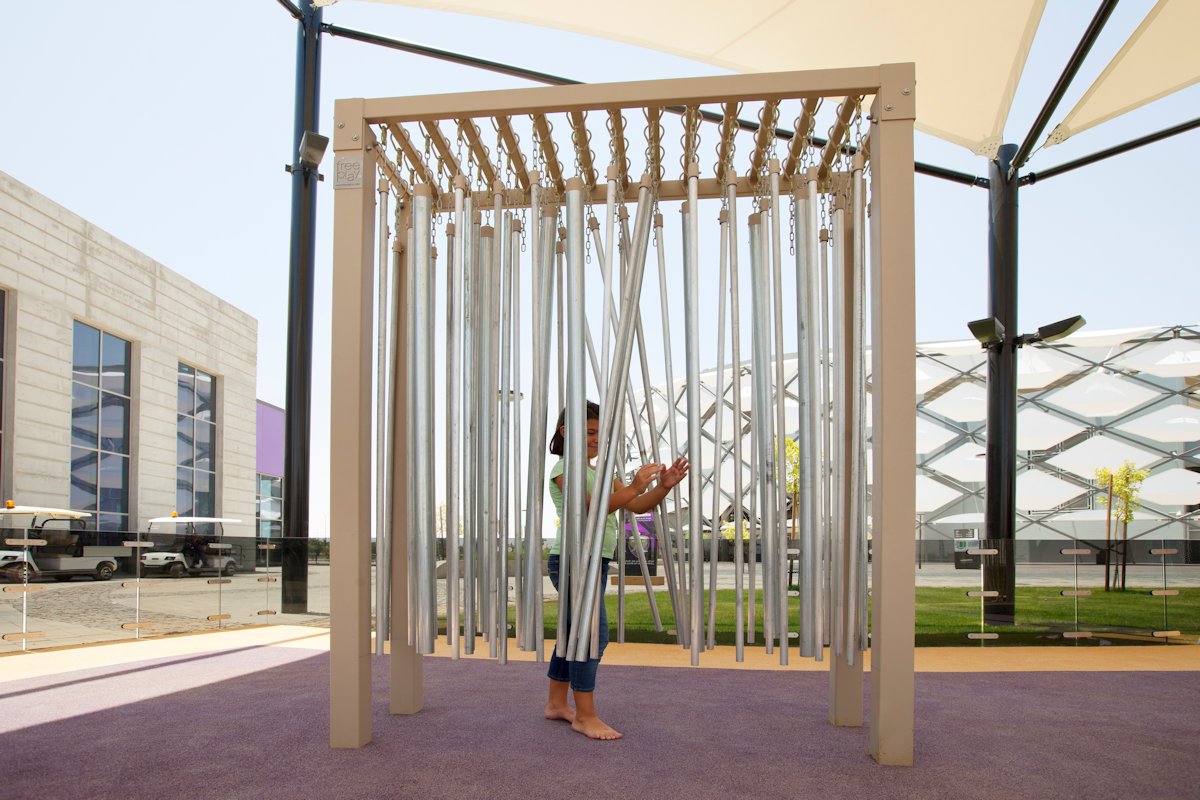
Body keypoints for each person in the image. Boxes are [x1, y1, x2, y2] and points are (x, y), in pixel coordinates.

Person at [544, 400, 689, 740]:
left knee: (573, 631)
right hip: (573, 559)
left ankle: (556, 704)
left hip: (593, 559)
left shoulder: (603, 473)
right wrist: (634, 486)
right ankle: (584, 715)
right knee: (591, 634)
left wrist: (662, 486)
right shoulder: (565, 467)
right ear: (566, 432)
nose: (596, 439)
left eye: (600, 433)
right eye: (589, 432)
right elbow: (588, 507)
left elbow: (635, 505)